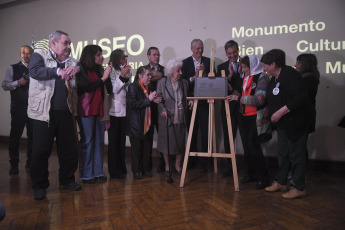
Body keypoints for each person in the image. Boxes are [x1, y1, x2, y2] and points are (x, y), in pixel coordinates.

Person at [28, 30, 88, 200]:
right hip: (43, 113)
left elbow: (84, 83)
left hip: (67, 112)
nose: (69, 46)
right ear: (53, 43)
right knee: (40, 151)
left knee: (69, 150)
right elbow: (35, 72)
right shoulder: (40, 55)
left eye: (70, 43)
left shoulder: (73, 61)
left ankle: (67, 180)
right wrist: (57, 72)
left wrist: (78, 70)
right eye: (66, 43)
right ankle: (39, 186)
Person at [261, 49, 312, 199]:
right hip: (283, 124)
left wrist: (280, 112)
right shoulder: (274, 78)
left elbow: (300, 97)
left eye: (265, 65)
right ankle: (282, 181)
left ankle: (299, 187)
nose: (264, 69)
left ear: (274, 64)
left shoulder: (290, 75)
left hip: (297, 123)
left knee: (296, 155)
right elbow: (274, 97)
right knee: (283, 153)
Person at [228, 55, 270, 189]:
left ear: (252, 66)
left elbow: (259, 99)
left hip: (255, 117)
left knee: (253, 147)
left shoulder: (262, 77)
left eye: (245, 67)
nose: (242, 69)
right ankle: (251, 174)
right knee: (247, 147)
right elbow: (241, 94)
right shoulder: (245, 77)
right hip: (243, 116)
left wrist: (239, 98)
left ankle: (264, 177)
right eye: (242, 67)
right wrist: (231, 90)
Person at [77, 45, 112, 184]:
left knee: (99, 142)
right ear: (90, 56)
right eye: (98, 54)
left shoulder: (99, 70)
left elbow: (107, 89)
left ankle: (98, 172)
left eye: (101, 54)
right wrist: (103, 78)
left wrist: (107, 76)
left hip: (99, 110)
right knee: (87, 142)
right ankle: (86, 174)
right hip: (86, 110)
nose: (101, 57)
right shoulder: (82, 70)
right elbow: (87, 87)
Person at [156, 58, 192, 176]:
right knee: (166, 145)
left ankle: (177, 165)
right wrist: (163, 110)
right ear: (171, 72)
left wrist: (190, 102)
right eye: (178, 71)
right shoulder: (162, 82)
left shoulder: (184, 83)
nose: (181, 73)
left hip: (181, 117)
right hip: (167, 118)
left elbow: (187, 97)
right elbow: (159, 100)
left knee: (180, 144)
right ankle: (167, 167)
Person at [181, 39, 212, 172]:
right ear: (192, 49)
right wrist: (194, 77)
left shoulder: (208, 61)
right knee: (192, 132)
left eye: (201, 48)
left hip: (205, 103)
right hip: (190, 103)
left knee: (206, 132)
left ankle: (205, 162)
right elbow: (182, 83)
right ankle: (191, 160)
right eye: (197, 48)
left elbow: (213, 82)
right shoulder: (185, 63)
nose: (200, 51)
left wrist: (204, 74)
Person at [2, 45, 34, 174]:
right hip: (18, 108)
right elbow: (4, 85)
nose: (25, 55)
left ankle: (30, 162)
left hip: (33, 109)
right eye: (23, 53)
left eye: (28, 53)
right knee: (15, 137)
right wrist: (17, 83)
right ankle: (14, 165)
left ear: (32, 55)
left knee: (33, 137)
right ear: (20, 54)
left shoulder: (35, 69)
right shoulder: (12, 68)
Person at [126, 66, 162, 179]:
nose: (150, 77)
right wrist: (149, 100)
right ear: (140, 75)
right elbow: (133, 104)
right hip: (136, 124)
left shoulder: (150, 86)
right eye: (148, 75)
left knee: (147, 149)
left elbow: (147, 102)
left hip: (148, 122)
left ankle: (146, 169)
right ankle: (136, 171)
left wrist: (154, 101)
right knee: (136, 150)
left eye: (151, 75)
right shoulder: (133, 87)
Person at [216, 40, 243, 177]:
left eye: (234, 52)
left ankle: (249, 168)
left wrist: (238, 75)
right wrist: (230, 77)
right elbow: (218, 88)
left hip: (244, 106)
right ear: (226, 54)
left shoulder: (245, 64)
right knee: (228, 138)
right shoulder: (221, 67)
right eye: (229, 53)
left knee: (246, 138)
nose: (232, 55)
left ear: (238, 50)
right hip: (227, 108)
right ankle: (229, 167)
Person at [107, 49, 131, 179]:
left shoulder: (127, 71)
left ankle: (122, 167)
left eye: (126, 57)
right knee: (114, 143)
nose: (125, 59)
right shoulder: (111, 71)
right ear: (116, 59)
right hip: (113, 112)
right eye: (123, 57)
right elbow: (114, 90)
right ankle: (114, 170)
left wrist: (126, 75)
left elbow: (128, 89)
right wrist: (122, 76)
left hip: (124, 111)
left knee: (121, 142)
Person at [295, 53, 320, 165]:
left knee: (299, 146)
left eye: (298, 63)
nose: (296, 65)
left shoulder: (309, 79)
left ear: (305, 64)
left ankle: (300, 174)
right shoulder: (305, 78)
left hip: (303, 117)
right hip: (302, 116)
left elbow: (301, 98)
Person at [144, 47, 166, 173]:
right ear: (148, 56)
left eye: (158, 55)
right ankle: (147, 165)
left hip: (161, 107)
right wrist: (153, 76)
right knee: (148, 136)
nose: (156, 57)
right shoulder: (143, 69)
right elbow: (140, 83)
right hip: (148, 107)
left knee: (162, 135)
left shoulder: (164, 70)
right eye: (154, 55)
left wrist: (155, 76)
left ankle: (163, 163)